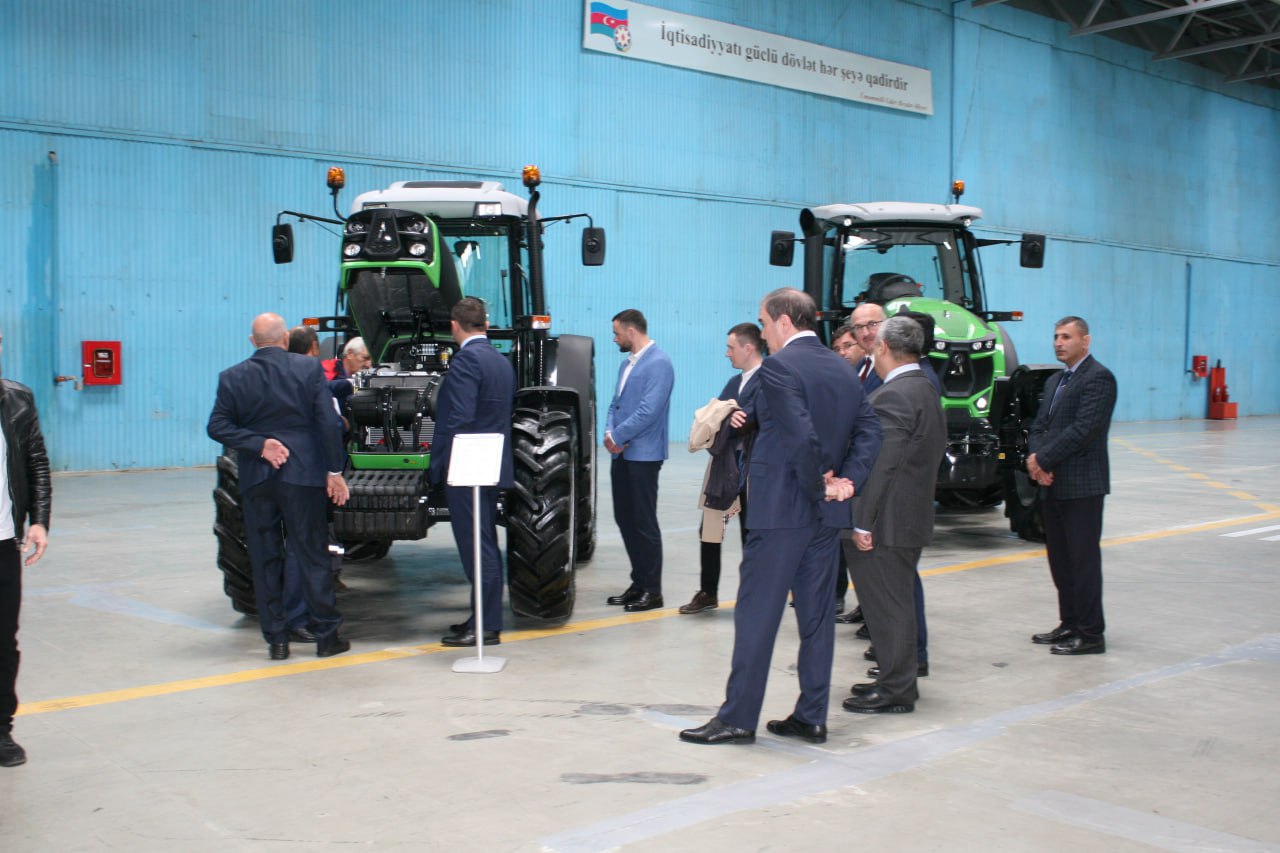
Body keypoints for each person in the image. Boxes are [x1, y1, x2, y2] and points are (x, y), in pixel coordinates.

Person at [681, 288, 882, 746]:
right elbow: (870, 429)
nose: (763, 332)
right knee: (817, 618)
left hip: (782, 511)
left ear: (784, 321)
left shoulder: (778, 367)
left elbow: (799, 435)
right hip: (826, 515)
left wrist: (818, 483)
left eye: (764, 322)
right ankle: (811, 716)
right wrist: (847, 481)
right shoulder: (842, 365)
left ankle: (738, 718)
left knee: (757, 615)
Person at [207, 313, 351, 660]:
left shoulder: (232, 377)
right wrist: (334, 470)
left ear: (252, 341)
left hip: (257, 478)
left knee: (265, 556)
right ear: (285, 339)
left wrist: (259, 445)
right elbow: (327, 422)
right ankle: (326, 637)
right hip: (303, 476)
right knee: (311, 553)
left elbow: (217, 426)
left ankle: (277, 641)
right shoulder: (307, 369)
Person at [842, 316, 946, 714]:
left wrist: (862, 522)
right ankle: (894, 678)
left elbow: (882, 466)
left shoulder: (896, 395)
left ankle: (896, 689)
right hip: (905, 515)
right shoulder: (923, 386)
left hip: (886, 522)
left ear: (883, 347)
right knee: (895, 602)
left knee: (888, 606)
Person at [1026, 316, 1117, 655]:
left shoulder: (1099, 378)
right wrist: (1036, 459)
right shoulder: (1055, 381)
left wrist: (1043, 460)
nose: (1058, 343)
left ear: (1085, 341)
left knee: (1083, 561)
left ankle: (1091, 633)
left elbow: (1084, 429)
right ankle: (1069, 623)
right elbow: (1040, 425)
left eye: (1066, 337)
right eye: (1056, 336)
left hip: (1082, 485)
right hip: (1051, 482)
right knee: (1060, 560)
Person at [430, 297, 516, 647]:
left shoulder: (466, 360)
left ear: (455, 325)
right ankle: (481, 616)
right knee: (485, 542)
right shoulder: (500, 361)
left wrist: (441, 462)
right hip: (491, 462)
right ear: (485, 324)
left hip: (467, 465)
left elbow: (460, 417)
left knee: (475, 548)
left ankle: (486, 625)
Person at [679, 323, 763, 615]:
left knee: (752, 535)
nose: (727, 353)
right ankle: (707, 592)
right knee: (710, 531)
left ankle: (754, 597)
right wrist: (729, 416)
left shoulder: (767, 380)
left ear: (748, 348)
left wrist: (733, 416)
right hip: (724, 470)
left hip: (753, 472)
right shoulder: (733, 382)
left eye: (731, 347)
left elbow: (753, 418)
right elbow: (720, 417)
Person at [0, 327, 51, 768]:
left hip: (3, 541)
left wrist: (39, 520)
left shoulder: (17, 399)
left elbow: (35, 460)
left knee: (4, 640)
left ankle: (1, 729)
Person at [604, 309, 675, 612]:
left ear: (631, 332)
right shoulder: (626, 364)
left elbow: (649, 410)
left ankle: (652, 590)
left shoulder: (659, 363)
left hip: (643, 455)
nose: (615, 338)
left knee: (644, 522)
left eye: (617, 333)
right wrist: (609, 432)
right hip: (622, 451)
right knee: (625, 518)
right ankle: (639, 582)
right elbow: (615, 404)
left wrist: (617, 436)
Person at [830, 322, 864, 625]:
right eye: (837, 348)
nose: (842, 353)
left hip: (859, 475)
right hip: (839, 475)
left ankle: (868, 606)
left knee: (860, 545)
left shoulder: (873, 378)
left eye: (847, 346)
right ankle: (839, 595)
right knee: (840, 541)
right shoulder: (840, 380)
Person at [850, 303, 888, 394]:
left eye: (872, 324)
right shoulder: (860, 365)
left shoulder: (892, 365)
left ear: (886, 325)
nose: (866, 333)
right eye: (859, 327)